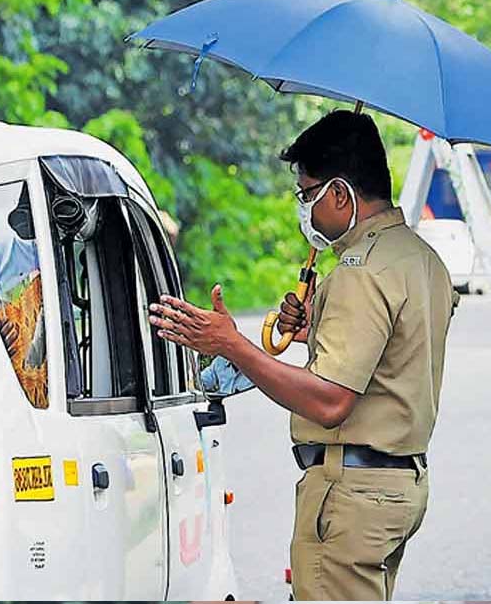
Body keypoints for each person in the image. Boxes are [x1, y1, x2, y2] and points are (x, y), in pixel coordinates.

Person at [147, 110, 458, 600]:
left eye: (306, 194)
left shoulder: (361, 272)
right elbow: (394, 350)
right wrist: (316, 329)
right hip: (398, 487)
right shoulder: (417, 258)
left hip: (352, 492)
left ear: (340, 194)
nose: (303, 208)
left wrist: (231, 344)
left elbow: (331, 402)